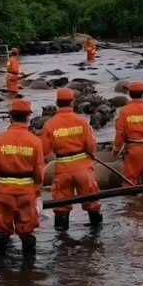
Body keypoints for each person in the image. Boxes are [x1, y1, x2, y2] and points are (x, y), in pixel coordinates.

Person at [0, 99, 44, 256]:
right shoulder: (35, 142)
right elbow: (39, 173)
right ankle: (29, 273)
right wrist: (36, 192)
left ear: (11, 117)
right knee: (27, 232)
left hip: (4, 193)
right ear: (28, 118)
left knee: (1, 232)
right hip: (26, 193)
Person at [39, 89, 102, 229]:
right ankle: (97, 234)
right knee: (92, 201)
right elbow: (91, 146)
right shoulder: (82, 121)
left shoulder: (50, 124)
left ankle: (62, 241)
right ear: (72, 102)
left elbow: (44, 151)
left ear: (57, 103)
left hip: (63, 169)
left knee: (61, 205)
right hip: (83, 168)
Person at [114, 82, 143, 185]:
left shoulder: (124, 111)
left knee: (129, 184)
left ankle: (133, 201)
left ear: (129, 94)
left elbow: (120, 134)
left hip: (133, 152)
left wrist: (116, 150)